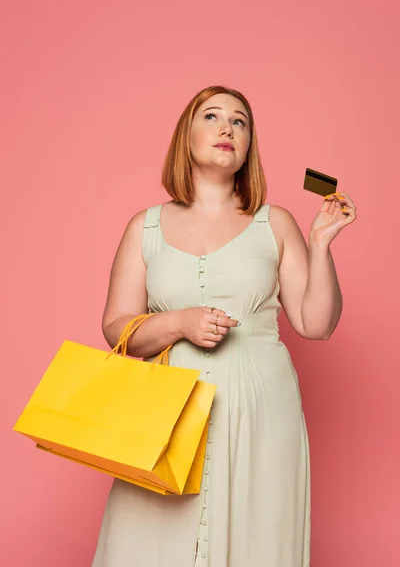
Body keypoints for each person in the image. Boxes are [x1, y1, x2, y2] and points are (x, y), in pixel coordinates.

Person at [92, 85, 357, 567]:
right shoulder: (144, 227)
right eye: (211, 116)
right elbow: (117, 328)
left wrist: (321, 244)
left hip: (261, 414)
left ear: (248, 144)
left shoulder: (274, 223)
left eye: (240, 121)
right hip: (165, 419)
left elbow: (316, 324)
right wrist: (178, 322)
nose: (226, 128)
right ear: (185, 137)